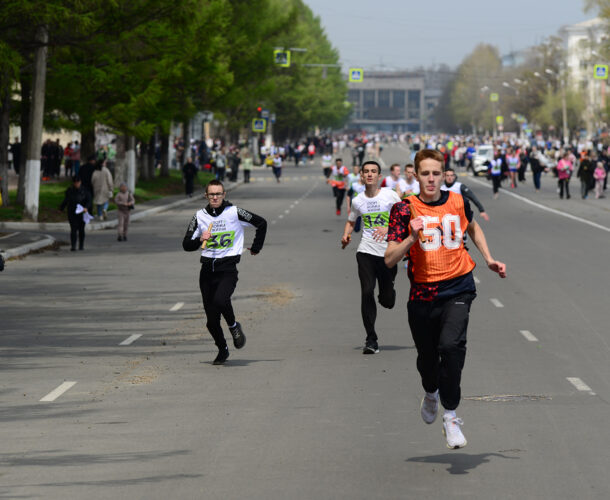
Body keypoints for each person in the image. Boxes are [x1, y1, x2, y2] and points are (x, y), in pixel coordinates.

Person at [385, 149, 506, 449]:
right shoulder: (404, 209)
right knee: (427, 358)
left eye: (435, 173)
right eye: (424, 173)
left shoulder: (458, 201)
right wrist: (411, 239)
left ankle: (450, 415)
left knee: (451, 347)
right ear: (415, 174)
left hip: (458, 287)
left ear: (443, 174)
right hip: (423, 295)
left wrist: (488, 258)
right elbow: (389, 259)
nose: (430, 178)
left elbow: (472, 226)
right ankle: (430, 393)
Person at [182, 180, 267, 365]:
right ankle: (222, 349)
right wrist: (199, 239)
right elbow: (186, 245)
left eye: (218, 194)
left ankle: (234, 327)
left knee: (221, 300)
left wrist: (256, 247)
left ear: (224, 195)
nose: (215, 197)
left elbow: (262, 223)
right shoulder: (199, 216)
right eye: (211, 194)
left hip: (227, 269)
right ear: (206, 196)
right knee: (211, 321)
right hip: (206, 272)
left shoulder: (234, 212)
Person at [341, 161, 401, 354]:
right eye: (366, 171)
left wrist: (388, 227)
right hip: (365, 251)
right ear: (362, 176)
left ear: (379, 175)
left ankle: (389, 290)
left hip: (388, 253)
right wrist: (346, 235)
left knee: (387, 300)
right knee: (367, 292)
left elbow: (404, 217)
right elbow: (351, 221)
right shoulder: (358, 200)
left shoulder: (390, 195)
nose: (369, 174)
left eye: (373, 171)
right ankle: (371, 339)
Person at [59, 176, 92, 251]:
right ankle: (73, 245)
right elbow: (66, 200)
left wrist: (86, 207)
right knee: (73, 229)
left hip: (82, 212)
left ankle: (81, 245)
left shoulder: (85, 191)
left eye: (78, 182)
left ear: (80, 182)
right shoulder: (70, 191)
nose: (77, 184)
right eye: (75, 183)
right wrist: (61, 208)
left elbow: (89, 201)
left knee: (81, 229)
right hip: (72, 212)